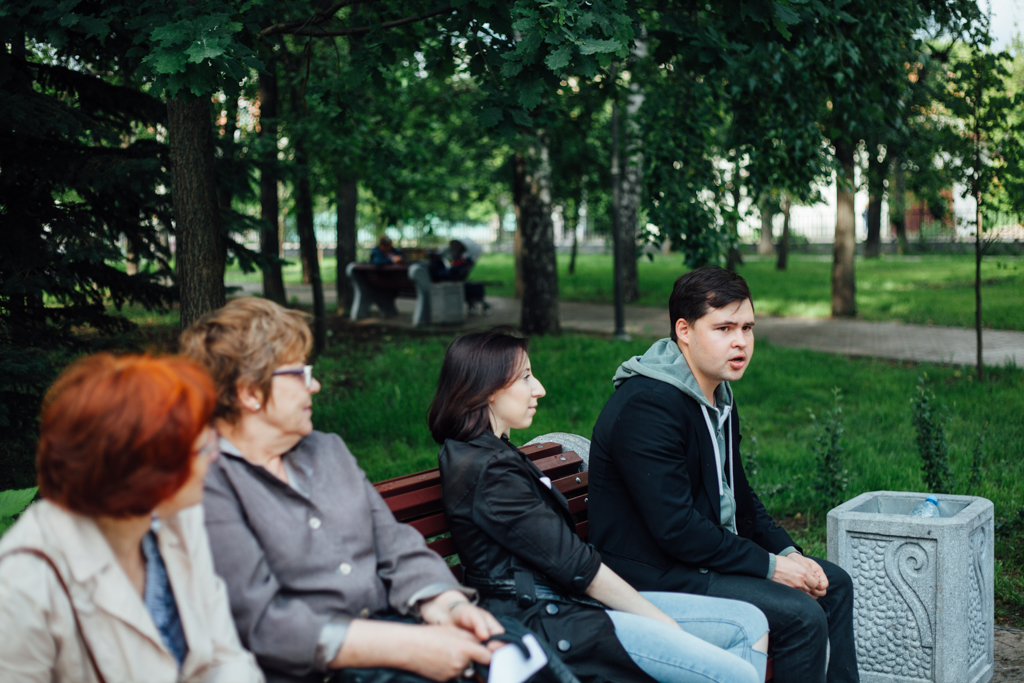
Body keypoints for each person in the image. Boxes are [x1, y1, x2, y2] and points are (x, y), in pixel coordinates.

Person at [180, 298, 508, 683]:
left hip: (396, 642)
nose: (315, 385)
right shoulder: (208, 482)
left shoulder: (327, 450)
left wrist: (449, 605)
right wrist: (411, 646)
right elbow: (265, 623)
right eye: (299, 374)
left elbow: (395, 546)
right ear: (250, 393)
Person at [428, 329, 770, 683]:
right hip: (547, 621)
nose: (539, 389)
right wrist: (662, 623)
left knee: (750, 623)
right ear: (488, 388)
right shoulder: (488, 470)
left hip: (567, 604)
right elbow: (574, 564)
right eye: (525, 377)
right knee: (736, 674)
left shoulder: (488, 453)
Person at [587, 266, 858, 683]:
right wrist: (771, 568)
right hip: (653, 576)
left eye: (747, 328)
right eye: (724, 328)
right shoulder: (648, 406)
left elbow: (741, 499)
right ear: (684, 330)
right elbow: (676, 529)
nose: (741, 341)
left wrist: (788, 554)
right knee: (800, 614)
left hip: (699, 559)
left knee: (834, 584)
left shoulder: (716, 394)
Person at [0, 354, 264, 683]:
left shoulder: (179, 519)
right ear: (147, 471)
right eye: (203, 449)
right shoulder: (24, 583)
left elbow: (226, 655)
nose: (215, 458)